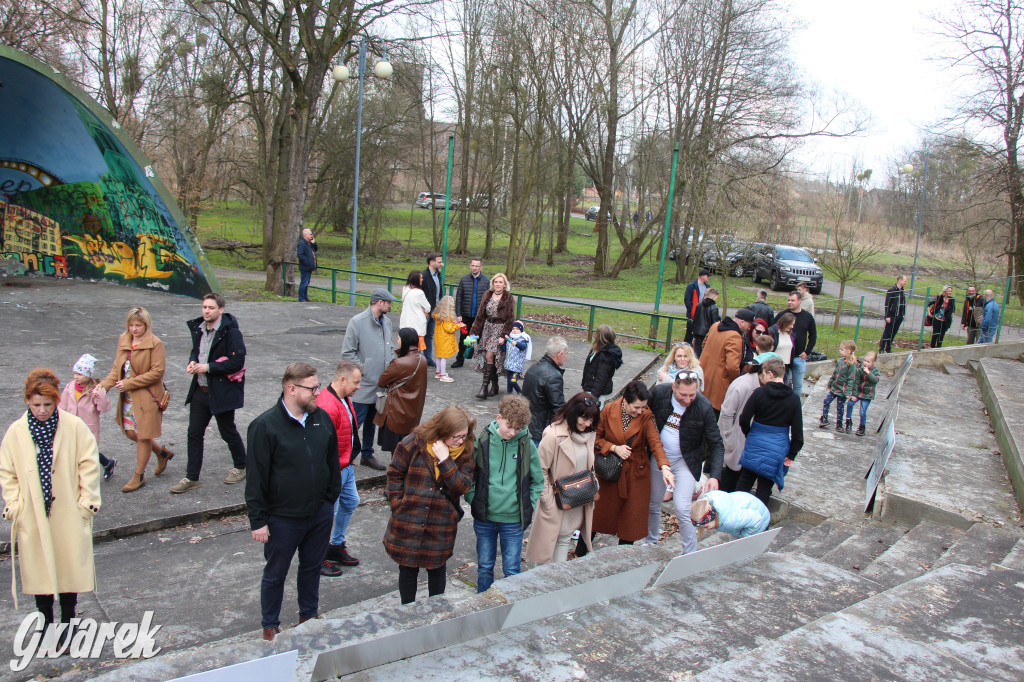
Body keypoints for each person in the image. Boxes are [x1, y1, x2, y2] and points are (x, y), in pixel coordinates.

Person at [1, 369, 101, 648]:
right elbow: (6, 470)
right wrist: (14, 505)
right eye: (36, 405)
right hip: (32, 513)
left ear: (56, 401)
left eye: (48, 404)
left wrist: (86, 503)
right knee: (39, 570)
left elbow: (89, 463)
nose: (42, 410)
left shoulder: (73, 426)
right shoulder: (16, 432)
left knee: (68, 566)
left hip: (68, 508)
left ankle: (68, 623)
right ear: (27, 402)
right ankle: (45, 625)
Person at [246, 363, 340, 641]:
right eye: (312, 388)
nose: (318, 393)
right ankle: (270, 625)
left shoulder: (321, 419)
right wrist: (259, 521)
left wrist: (329, 500)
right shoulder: (264, 427)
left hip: (319, 514)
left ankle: (308, 616)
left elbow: (332, 463)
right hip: (282, 519)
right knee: (276, 573)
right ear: (291, 389)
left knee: (311, 568)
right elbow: (256, 478)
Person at [384, 406, 476, 604]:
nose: (461, 441)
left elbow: (461, 486)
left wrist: (445, 459)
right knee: (407, 569)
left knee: (437, 568)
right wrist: (397, 503)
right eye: (456, 437)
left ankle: (436, 610)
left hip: (440, 521)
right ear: (442, 431)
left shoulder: (466, 452)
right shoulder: (414, 442)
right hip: (409, 518)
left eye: (464, 436)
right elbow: (394, 473)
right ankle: (407, 610)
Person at [173, 292, 247, 494]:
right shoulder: (199, 329)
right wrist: (192, 361)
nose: (206, 311)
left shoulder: (230, 332)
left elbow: (237, 362)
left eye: (211, 307)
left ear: (221, 310)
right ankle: (191, 477)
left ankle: (242, 466)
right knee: (194, 433)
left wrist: (208, 367)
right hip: (200, 389)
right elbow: (196, 351)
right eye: (204, 307)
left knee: (227, 431)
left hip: (220, 391)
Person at [466, 395, 542, 592]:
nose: (512, 432)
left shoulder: (526, 444)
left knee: (512, 569)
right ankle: (483, 609)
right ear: (499, 418)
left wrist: (528, 504)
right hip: (485, 517)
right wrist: (473, 499)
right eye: (509, 426)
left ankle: (511, 613)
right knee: (484, 566)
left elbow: (537, 480)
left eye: (518, 428)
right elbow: (469, 476)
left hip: (513, 519)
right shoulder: (482, 441)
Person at [97, 306, 172, 493]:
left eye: (138, 325)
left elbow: (157, 372)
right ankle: (161, 453)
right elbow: (117, 368)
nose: (134, 329)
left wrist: (130, 383)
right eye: (131, 325)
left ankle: (139, 475)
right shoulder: (124, 340)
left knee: (144, 435)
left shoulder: (155, 343)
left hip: (147, 397)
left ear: (146, 325)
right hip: (129, 398)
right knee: (131, 433)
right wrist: (104, 386)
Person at [648, 371, 725, 552]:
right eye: (683, 395)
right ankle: (650, 542)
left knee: (682, 508)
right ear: (674, 387)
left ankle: (689, 551)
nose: (688, 399)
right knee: (654, 502)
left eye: (692, 394)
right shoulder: (659, 394)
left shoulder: (703, 406)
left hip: (686, 460)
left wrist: (714, 475)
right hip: (660, 458)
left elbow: (716, 443)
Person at [593, 381, 674, 547]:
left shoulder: (647, 416)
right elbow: (595, 438)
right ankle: (582, 549)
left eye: (643, 407)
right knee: (598, 515)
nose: (640, 411)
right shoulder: (609, 410)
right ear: (625, 401)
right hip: (610, 471)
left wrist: (665, 467)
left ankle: (624, 556)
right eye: (636, 407)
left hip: (636, 474)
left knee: (631, 520)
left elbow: (655, 443)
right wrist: (614, 448)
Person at [524, 393, 601, 564]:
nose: (587, 423)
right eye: (584, 418)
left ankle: (556, 584)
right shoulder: (553, 435)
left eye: (591, 420)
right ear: (574, 413)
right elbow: (539, 470)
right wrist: (547, 500)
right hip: (555, 500)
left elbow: (590, 465)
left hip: (577, 499)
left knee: (565, 540)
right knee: (544, 553)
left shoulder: (590, 434)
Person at [316, 361, 365, 574]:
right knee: (329, 512)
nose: (358, 387)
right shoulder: (327, 404)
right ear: (342, 379)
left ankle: (335, 545)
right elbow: (322, 444)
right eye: (356, 382)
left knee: (351, 501)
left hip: (346, 465)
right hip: (334, 469)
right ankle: (318, 555)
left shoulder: (343, 398)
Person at [342, 288, 397, 471]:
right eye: (388, 302)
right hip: (363, 385)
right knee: (354, 423)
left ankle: (367, 454)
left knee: (373, 422)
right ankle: (345, 456)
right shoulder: (357, 322)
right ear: (379, 302)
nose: (390, 305)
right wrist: (363, 370)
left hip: (381, 385)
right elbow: (348, 352)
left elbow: (389, 349)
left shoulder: (387, 322)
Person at [737, 357, 803, 507]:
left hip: (756, 443)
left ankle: (736, 517)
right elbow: (798, 433)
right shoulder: (793, 399)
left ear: (770, 374)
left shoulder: (759, 393)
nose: (762, 378)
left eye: (764, 374)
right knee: (764, 489)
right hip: (777, 447)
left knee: (744, 483)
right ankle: (760, 524)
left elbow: (744, 419)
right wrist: (791, 454)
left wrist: (750, 434)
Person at [58, 353, 115, 481]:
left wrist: (99, 395)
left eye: (80, 374)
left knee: (88, 453)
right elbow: (62, 405)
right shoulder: (70, 387)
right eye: (75, 373)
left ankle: (103, 466)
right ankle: (106, 464)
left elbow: (104, 408)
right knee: (74, 451)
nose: (76, 377)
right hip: (70, 425)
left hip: (88, 428)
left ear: (89, 375)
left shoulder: (94, 390)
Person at [375, 328, 429, 456]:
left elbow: (381, 381)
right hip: (412, 413)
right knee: (407, 450)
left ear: (404, 341)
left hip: (396, 413)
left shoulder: (399, 363)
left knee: (396, 451)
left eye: (399, 338)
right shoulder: (422, 360)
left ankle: (395, 473)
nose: (397, 340)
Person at [717, 359, 767, 493]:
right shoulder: (744, 386)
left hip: (741, 444)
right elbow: (726, 414)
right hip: (734, 442)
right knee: (729, 481)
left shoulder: (755, 384)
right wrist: (729, 439)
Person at [468, 273, 515, 399]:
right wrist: (474, 332)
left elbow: (511, 318)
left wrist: (504, 335)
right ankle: (495, 386)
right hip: (487, 328)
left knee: (490, 355)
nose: (498, 284)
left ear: (504, 284)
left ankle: (484, 388)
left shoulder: (508, 298)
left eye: (500, 282)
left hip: (499, 330)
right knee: (489, 357)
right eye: (496, 282)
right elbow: (480, 315)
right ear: (493, 283)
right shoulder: (487, 294)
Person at [700, 308, 754, 416]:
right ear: (742, 323)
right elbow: (732, 366)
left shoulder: (715, 326)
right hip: (719, 388)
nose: (749, 328)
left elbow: (704, 344)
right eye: (749, 325)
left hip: (703, 377)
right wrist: (736, 382)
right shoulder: (735, 337)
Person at [523, 336, 569, 446]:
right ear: (559, 354)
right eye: (566, 354)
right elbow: (558, 407)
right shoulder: (554, 377)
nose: (566, 357)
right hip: (540, 430)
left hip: (527, 424)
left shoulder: (533, 368)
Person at [774, 292, 816, 397]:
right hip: (783, 357)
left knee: (798, 385)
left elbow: (813, 335)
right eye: (788, 300)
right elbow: (772, 331)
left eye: (792, 300)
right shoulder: (782, 315)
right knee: (782, 383)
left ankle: (795, 406)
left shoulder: (807, 317)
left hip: (799, 357)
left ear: (799, 301)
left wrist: (807, 351)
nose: (789, 302)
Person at [690, 491, 770, 541]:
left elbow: (757, 519)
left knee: (748, 550)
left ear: (712, 517)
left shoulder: (731, 520)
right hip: (745, 517)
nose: (706, 530)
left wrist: (745, 537)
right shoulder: (710, 503)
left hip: (760, 521)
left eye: (706, 527)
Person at [453, 258, 489, 368]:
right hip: (466, 314)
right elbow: (459, 298)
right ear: (470, 266)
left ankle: (481, 362)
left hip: (480, 316)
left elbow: (488, 299)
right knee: (463, 339)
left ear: (481, 267)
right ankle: (460, 360)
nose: (474, 268)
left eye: (477, 266)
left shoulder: (486, 281)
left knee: (481, 339)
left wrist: (486, 315)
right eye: (472, 265)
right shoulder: (464, 280)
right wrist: (458, 314)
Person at [819, 340, 858, 432]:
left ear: (848, 351)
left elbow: (851, 380)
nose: (840, 351)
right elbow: (835, 374)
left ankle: (839, 423)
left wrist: (848, 392)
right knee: (826, 401)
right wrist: (829, 384)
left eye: (842, 349)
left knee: (840, 407)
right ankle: (824, 418)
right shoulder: (840, 361)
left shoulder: (852, 365)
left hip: (842, 391)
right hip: (834, 389)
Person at [581, 324, 623, 404]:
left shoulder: (606, 356)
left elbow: (601, 379)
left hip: (596, 393)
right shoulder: (596, 349)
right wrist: (584, 386)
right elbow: (587, 368)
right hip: (590, 389)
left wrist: (593, 397)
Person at [846, 350, 880, 437]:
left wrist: (868, 373)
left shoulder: (875, 371)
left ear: (873, 363)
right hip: (858, 392)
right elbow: (856, 381)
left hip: (867, 394)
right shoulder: (860, 370)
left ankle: (862, 427)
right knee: (850, 403)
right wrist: (854, 394)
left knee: (862, 411)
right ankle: (848, 421)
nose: (865, 363)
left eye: (868, 362)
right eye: (865, 360)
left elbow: (875, 380)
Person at [420, 253, 444, 368]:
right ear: (431, 262)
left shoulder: (437, 275)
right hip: (425, 313)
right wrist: (423, 310)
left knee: (429, 335)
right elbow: (419, 295)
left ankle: (428, 358)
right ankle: (419, 358)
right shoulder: (423, 276)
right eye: (439, 262)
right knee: (420, 335)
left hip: (435, 312)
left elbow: (438, 294)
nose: (441, 264)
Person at [399, 270, 431, 354]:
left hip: (405, 323)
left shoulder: (405, 289)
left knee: (406, 348)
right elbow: (428, 308)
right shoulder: (419, 292)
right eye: (421, 278)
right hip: (417, 324)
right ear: (416, 279)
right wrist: (424, 310)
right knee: (417, 349)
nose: (422, 280)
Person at [433, 295, 463, 383]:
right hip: (445, 339)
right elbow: (449, 329)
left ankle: (438, 372)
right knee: (444, 357)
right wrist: (458, 325)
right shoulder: (448, 316)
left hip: (439, 338)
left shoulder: (438, 314)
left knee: (439, 355)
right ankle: (443, 374)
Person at [879, 275, 907, 353]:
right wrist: (887, 316)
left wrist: (903, 314)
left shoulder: (902, 291)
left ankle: (888, 348)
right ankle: (881, 348)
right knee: (887, 332)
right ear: (900, 280)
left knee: (894, 332)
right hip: (892, 316)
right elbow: (887, 304)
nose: (906, 282)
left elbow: (903, 302)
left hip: (899, 316)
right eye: (905, 280)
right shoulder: (892, 290)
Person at [503, 321, 532, 394]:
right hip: (509, 365)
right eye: (513, 329)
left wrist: (516, 344)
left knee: (512, 381)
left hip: (517, 366)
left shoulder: (523, 339)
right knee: (509, 382)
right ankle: (509, 395)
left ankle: (521, 392)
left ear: (521, 330)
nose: (515, 330)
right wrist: (501, 344)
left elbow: (523, 347)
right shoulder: (510, 338)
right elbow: (505, 349)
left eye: (517, 329)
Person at [683, 269, 711, 344]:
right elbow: (687, 299)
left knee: (701, 333)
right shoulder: (692, 286)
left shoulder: (707, 286)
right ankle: (686, 348)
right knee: (689, 332)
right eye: (707, 276)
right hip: (694, 313)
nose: (708, 278)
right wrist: (692, 309)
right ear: (702, 276)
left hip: (704, 313)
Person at [691, 289, 721, 358]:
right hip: (707, 332)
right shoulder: (714, 307)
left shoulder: (699, 305)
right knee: (705, 351)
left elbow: (695, 318)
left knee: (697, 351)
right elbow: (714, 323)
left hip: (697, 331)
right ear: (713, 297)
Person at [768, 312, 796, 385]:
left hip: (785, 367)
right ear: (785, 322)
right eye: (791, 324)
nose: (792, 327)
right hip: (774, 367)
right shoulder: (773, 331)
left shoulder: (791, 334)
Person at [296, 228, 318, 302]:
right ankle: (301, 297)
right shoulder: (302, 243)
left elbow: (316, 249)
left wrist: (313, 243)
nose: (311, 235)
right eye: (310, 234)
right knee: (304, 282)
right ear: (305, 235)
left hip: (310, 266)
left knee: (307, 282)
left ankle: (305, 296)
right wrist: (307, 262)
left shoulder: (309, 243)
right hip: (305, 266)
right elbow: (300, 254)